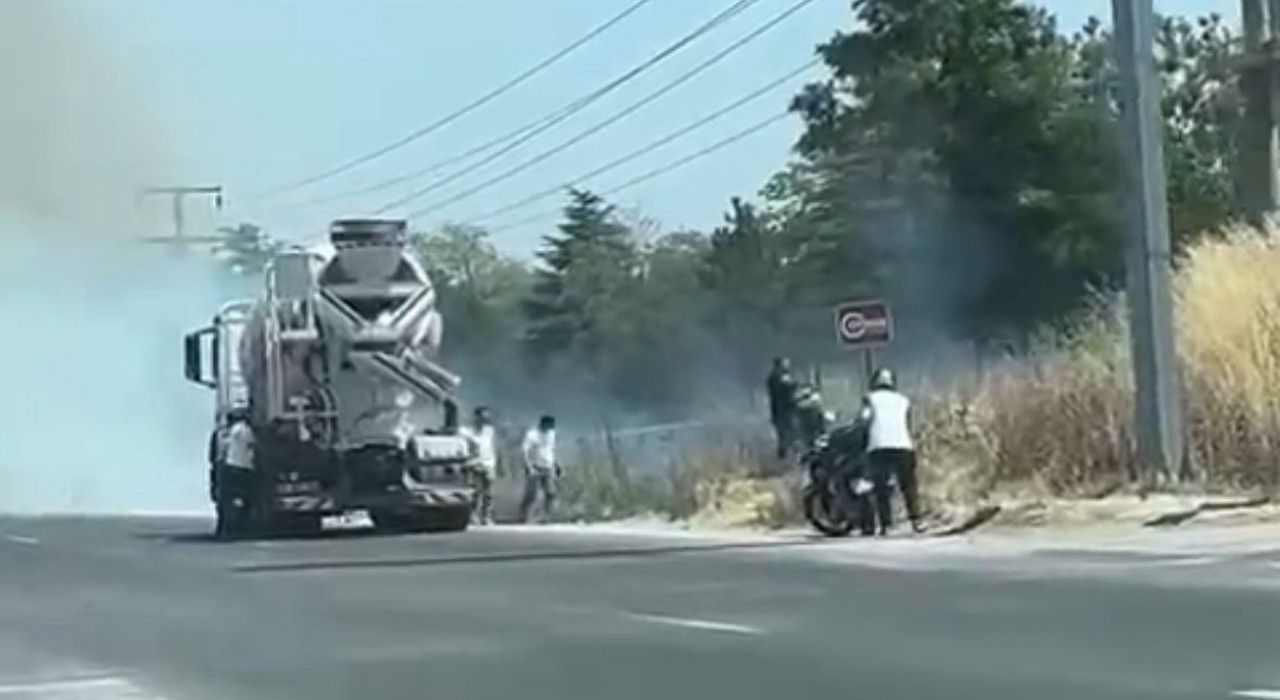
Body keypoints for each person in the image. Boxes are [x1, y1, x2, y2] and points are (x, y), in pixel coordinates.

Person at [859, 368, 924, 535]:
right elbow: (909, 424)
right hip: (903, 445)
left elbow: (865, 420)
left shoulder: (870, 398)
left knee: (881, 487)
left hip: (879, 446)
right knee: (908, 485)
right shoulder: (903, 400)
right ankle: (917, 520)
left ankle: (886, 525)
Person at [216, 408, 257, 537]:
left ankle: (226, 527)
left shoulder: (228, 433)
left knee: (227, 499)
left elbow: (222, 451)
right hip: (245, 467)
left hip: (230, 467)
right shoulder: (245, 430)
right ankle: (242, 524)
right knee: (247, 498)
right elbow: (252, 445)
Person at [459, 406, 498, 526]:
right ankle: (472, 516)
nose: (484, 420)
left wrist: (494, 463)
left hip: (488, 463)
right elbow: (463, 449)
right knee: (475, 492)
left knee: (489, 494)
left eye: (486, 418)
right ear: (476, 417)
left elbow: (491, 448)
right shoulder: (466, 432)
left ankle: (486, 517)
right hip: (473, 464)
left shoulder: (490, 431)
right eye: (482, 417)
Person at [519, 415, 559, 524]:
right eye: (549, 426)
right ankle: (524, 515)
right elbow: (524, 451)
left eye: (552, 426)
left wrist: (556, 465)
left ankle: (547, 517)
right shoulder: (532, 434)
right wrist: (528, 466)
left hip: (548, 466)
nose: (550, 428)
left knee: (550, 493)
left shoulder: (551, 434)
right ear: (543, 424)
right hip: (535, 466)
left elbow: (552, 450)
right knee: (531, 494)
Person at [766, 357, 799, 459]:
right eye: (785, 364)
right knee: (788, 435)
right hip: (782, 411)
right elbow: (789, 386)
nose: (787, 366)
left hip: (782, 410)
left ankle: (787, 457)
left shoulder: (776, 377)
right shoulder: (776, 377)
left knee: (787, 435)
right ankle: (787, 458)